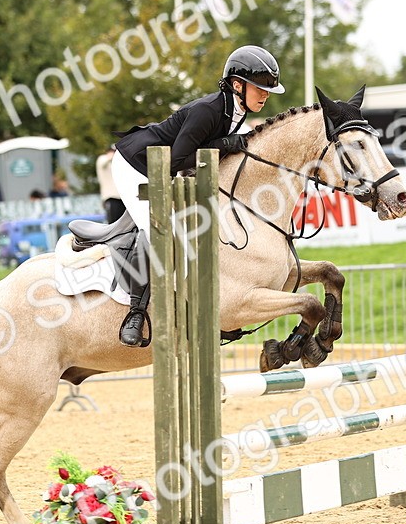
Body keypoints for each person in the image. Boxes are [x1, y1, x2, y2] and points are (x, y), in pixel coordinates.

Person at [110, 44, 284, 347]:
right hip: (135, 165)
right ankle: (135, 313)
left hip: (167, 167)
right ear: (237, 85)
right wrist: (227, 144)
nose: (266, 94)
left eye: (268, 89)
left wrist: (227, 144)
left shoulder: (237, 111)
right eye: (260, 88)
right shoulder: (208, 110)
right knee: (158, 230)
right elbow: (178, 160)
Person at [95, 146, 124, 223]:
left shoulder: (119, 163)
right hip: (111, 197)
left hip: (122, 198)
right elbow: (104, 161)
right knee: (113, 223)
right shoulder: (102, 159)